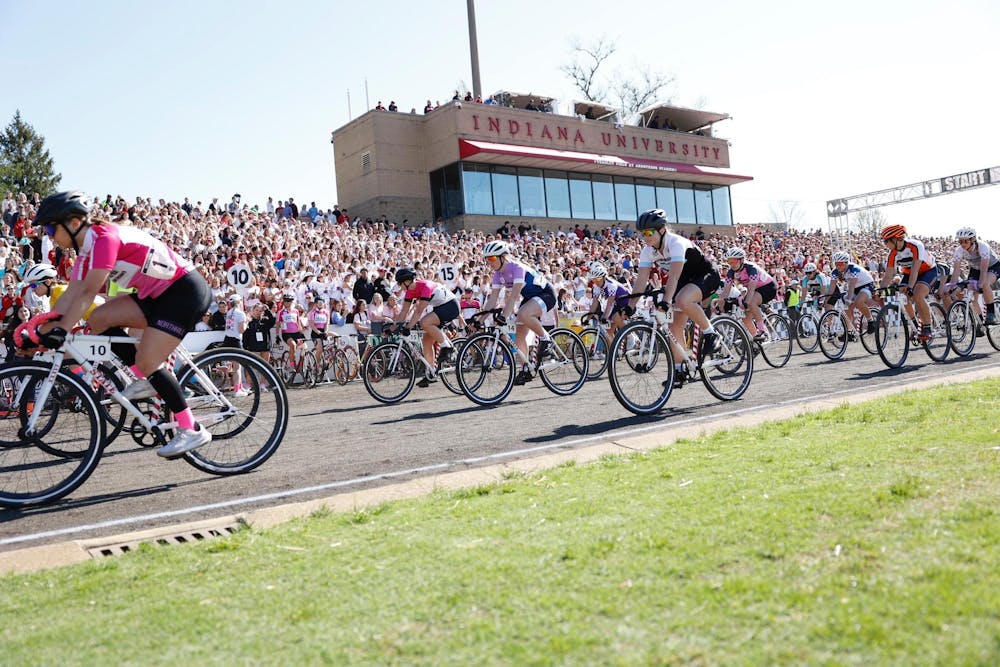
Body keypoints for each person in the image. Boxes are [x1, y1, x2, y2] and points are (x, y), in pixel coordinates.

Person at [23, 191, 213, 457]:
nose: (49, 234)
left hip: (184, 291)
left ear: (75, 223)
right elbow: (71, 294)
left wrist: (60, 330)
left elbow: (88, 293)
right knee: (99, 319)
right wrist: (40, 328)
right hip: (156, 295)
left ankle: (190, 428)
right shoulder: (85, 249)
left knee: (149, 360)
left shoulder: (105, 239)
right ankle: (146, 378)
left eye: (51, 227)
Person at [628, 209, 721, 388]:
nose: (645, 237)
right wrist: (630, 305)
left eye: (648, 232)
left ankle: (711, 333)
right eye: (642, 234)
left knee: (682, 300)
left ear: (662, 229)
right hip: (684, 280)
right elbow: (640, 281)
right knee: (674, 325)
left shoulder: (676, 242)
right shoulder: (648, 251)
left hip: (705, 275)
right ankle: (679, 370)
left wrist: (666, 299)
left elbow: (674, 277)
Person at [480, 240, 557, 386]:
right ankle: (526, 369)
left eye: (491, 258)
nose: (489, 262)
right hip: (530, 297)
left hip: (546, 293)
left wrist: (503, 316)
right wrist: (480, 319)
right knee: (519, 335)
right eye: (486, 259)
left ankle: (546, 339)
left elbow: (514, 295)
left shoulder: (517, 268)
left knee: (523, 314)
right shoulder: (497, 274)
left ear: (503, 257)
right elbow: (492, 300)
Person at [392, 267, 461, 388]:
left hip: (451, 305)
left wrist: (408, 327)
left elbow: (418, 311)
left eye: (399, 282)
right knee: (427, 341)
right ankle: (431, 371)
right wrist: (392, 328)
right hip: (440, 307)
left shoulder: (425, 286)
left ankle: (447, 347)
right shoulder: (409, 292)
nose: (398, 285)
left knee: (425, 322)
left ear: (407, 281)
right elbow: (403, 312)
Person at [878, 224, 937, 342]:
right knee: (902, 295)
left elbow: (915, 269)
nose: (885, 244)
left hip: (927, 271)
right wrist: (881, 290)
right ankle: (914, 325)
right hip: (909, 274)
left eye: (886, 241)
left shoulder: (915, 246)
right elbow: (888, 275)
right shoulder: (892, 253)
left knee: (917, 294)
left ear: (896, 239)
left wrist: (910, 287)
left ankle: (927, 327)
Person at [721, 247, 778, 342]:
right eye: (729, 261)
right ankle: (756, 340)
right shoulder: (731, 272)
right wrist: (719, 301)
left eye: (734, 260)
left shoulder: (751, 268)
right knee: (745, 317)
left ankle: (762, 331)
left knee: (751, 302)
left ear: (742, 259)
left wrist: (746, 302)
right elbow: (726, 290)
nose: (731, 263)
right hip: (755, 290)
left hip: (768, 287)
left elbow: (751, 289)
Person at [951, 227, 1000, 325]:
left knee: (985, 283)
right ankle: (980, 322)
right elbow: (956, 270)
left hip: (992, 266)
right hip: (975, 269)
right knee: (971, 295)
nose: (963, 244)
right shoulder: (959, 251)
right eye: (960, 242)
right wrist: (952, 285)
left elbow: (984, 269)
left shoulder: (983, 247)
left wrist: (981, 284)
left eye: (965, 241)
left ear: (972, 240)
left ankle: (991, 314)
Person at [829, 250, 877, 339]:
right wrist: (827, 298)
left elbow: (851, 286)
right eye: (836, 264)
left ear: (846, 262)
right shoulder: (835, 272)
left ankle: (871, 321)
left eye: (841, 264)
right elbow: (832, 287)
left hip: (866, 285)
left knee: (859, 302)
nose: (838, 266)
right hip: (855, 288)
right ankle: (849, 332)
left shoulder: (854, 268)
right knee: (847, 308)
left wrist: (848, 298)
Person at [586, 262, 631, 340]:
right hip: (617, 304)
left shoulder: (611, 285)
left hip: (627, 301)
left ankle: (631, 337)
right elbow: (594, 305)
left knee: (614, 317)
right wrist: (587, 319)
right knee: (608, 334)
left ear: (604, 277)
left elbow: (610, 303)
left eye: (597, 279)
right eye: (593, 280)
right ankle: (613, 351)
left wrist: (605, 317)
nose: (595, 282)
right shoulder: (597, 287)